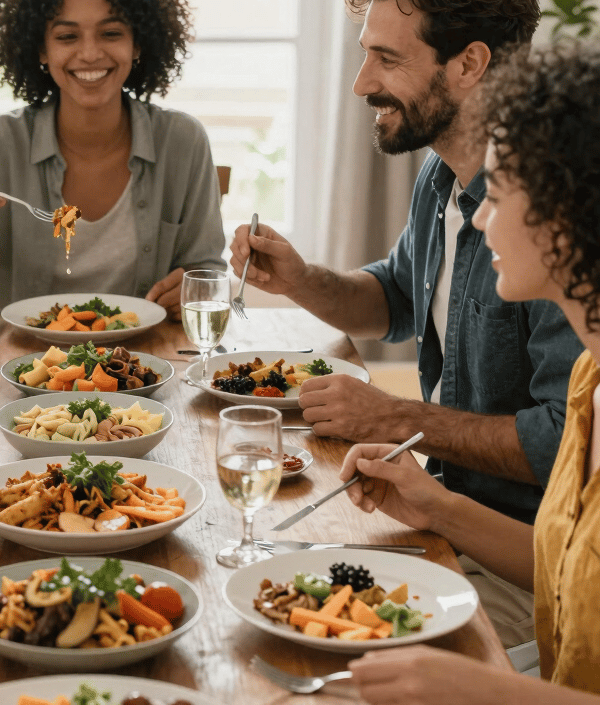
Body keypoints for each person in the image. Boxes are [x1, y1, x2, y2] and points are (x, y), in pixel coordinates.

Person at [231, 0, 583, 647]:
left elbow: (567, 443)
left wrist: (396, 419)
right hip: (444, 514)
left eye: (386, 58)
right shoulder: (440, 175)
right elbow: (395, 296)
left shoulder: (551, 217)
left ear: (469, 64)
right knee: (263, 585)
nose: (362, 82)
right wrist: (301, 279)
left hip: (523, 562)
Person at [341, 40, 600, 702]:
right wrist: (441, 506)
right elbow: (564, 570)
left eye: (501, 188)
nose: (480, 214)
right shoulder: (586, 384)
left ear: (567, 212)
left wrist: (483, 687)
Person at [0, 0, 226, 317]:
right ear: (41, 50)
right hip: (25, 363)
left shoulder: (183, 141)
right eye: (67, 37)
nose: (90, 53)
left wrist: (192, 290)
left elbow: (208, 275)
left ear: (138, 44)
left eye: (111, 33)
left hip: (148, 361)